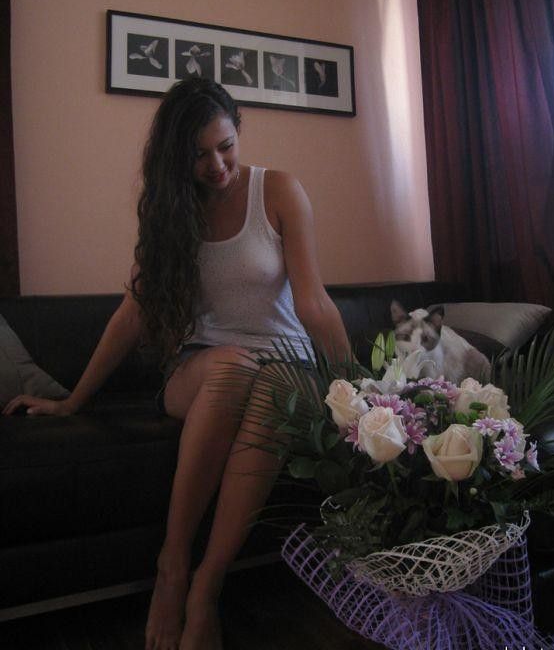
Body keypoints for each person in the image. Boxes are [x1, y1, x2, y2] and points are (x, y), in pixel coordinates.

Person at [2, 78, 351, 650]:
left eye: (226, 146)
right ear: (175, 158)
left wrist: (358, 393)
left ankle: (205, 585)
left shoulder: (279, 191)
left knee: (275, 386)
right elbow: (132, 315)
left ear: (238, 131)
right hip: (203, 368)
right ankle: (172, 565)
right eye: (198, 155)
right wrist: (73, 400)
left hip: (285, 365)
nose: (217, 165)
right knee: (236, 368)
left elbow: (313, 303)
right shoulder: (172, 214)